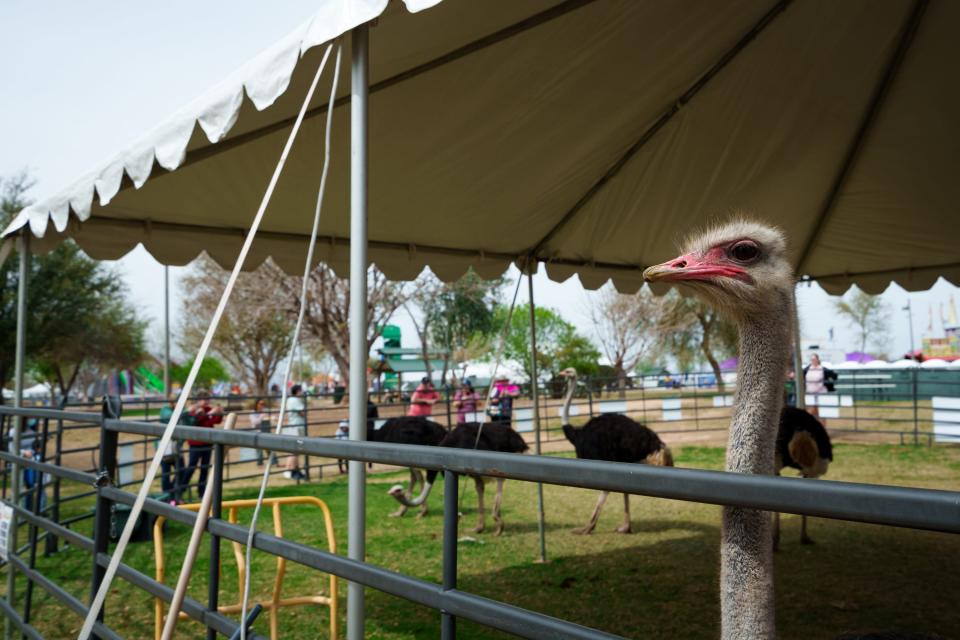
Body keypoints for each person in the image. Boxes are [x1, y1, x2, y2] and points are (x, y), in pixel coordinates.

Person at [179, 394, 223, 500]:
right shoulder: (193, 410)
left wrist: (219, 413)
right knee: (192, 467)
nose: (206, 401)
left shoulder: (208, 409)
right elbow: (194, 422)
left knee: (205, 468)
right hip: (195, 443)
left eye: (207, 399)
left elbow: (215, 421)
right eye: (204, 399)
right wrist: (207, 414)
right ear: (198, 400)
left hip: (207, 442)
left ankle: (201, 492)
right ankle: (181, 490)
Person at [157, 395, 185, 502]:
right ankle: (167, 496)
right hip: (166, 448)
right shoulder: (165, 410)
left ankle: (173, 494)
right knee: (166, 474)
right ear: (172, 402)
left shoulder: (181, 412)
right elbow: (170, 417)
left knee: (181, 471)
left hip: (176, 448)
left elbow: (189, 422)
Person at [282, 385, 307, 480]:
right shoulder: (295, 400)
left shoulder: (289, 400)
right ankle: (293, 471)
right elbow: (302, 412)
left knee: (292, 450)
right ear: (297, 391)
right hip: (297, 426)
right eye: (301, 390)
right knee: (295, 450)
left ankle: (291, 470)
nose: (302, 392)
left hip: (292, 425)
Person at [249, 399, 272, 466]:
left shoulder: (265, 411)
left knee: (269, 447)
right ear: (256, 404)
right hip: (257, 432)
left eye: (263, 404)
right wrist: (262, 416)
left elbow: (269, 419)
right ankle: (260, 463)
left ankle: (274, 462)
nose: (262, 406)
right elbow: (254, 422)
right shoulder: (253, 412)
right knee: (259, 449)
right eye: (261, 404)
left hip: (265, 431)